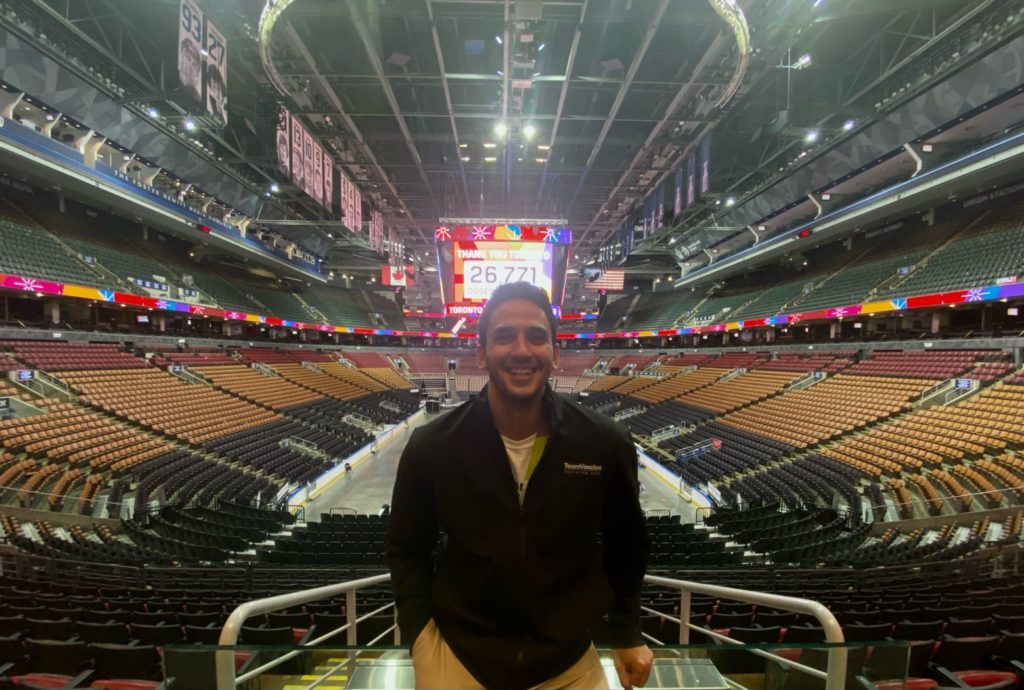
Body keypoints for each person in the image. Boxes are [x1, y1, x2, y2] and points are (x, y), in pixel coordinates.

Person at [387, 282, 653, 690]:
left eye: (536, 337)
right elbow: (407, 548)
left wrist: (627, 633)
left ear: (555, 352)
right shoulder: (432, 446)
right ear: (482, 352)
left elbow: (627, 545)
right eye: (505, 336)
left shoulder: (605, 443)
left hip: (567, 664)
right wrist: (419, 638)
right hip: (458, 658)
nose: (521, 350)